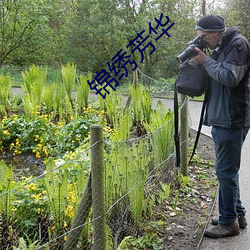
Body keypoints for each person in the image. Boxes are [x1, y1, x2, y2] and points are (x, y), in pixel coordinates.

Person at [192, 15, 250, 238]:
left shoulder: (238, 44)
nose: (203, 41)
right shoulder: (221, 46)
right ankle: (237, 214)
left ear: (216, 32)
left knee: (225, 171)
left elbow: (229, 77)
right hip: (222, 117)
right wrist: (201, 60)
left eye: (204, 37)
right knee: (227, 171)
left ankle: (228, 223)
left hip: (232, 118)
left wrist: (205, 61)